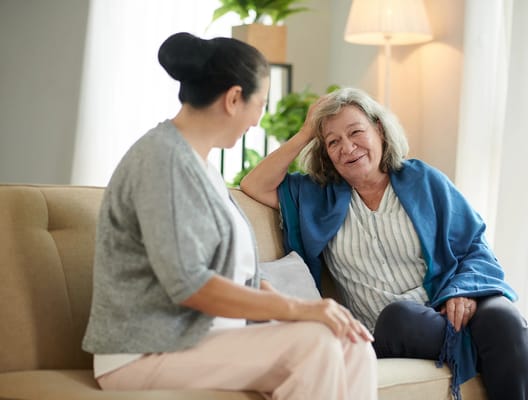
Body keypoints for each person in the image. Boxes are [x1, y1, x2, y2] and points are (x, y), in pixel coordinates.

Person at [240, 87, 528, 400]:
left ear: (378, 129)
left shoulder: (424, 180)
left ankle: (519, 355)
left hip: (450, 308)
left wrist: (462, 291)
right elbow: (254, 185)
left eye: (356, 132)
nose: (347, 147)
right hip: (394, 328)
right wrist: (305, 131)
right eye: (332, 142)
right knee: (399, 317)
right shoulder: (315, 196)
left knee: (503, 317)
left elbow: (475, 246)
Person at [81, 33, 378, 400]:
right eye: (260, 105)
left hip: (206, 340)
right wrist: (296, 308)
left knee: (353, 343)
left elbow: (244, 279)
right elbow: (190, 284)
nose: (257, 122)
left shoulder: (203, 168)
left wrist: (316, 309)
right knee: (314, 344)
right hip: (147, 349)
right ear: (234, 99)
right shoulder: (163, 160)